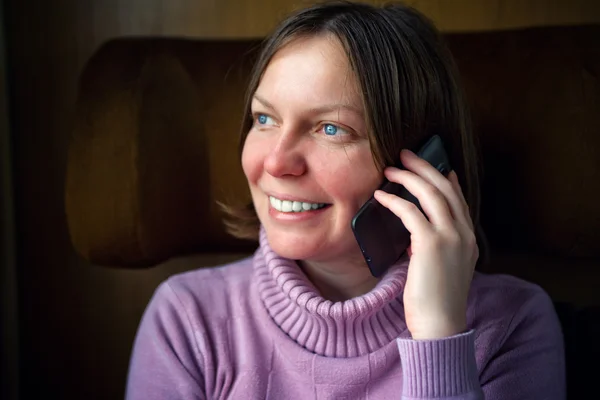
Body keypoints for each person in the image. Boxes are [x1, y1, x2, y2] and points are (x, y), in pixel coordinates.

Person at [126, 1, 566, 399]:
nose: (276, 162)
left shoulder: (514, 324)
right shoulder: (186, 320)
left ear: (422, 168)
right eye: (265, 119)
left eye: (330, 128)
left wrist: (437, 336)